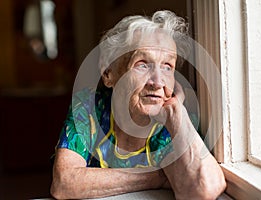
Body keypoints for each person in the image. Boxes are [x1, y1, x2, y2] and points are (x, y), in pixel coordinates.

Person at [50, 10, 226, 200]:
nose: (158, 82)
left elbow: (206, 188)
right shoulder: (89, 107)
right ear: (108, 73)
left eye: (167, 67)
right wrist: (157, 176)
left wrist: (177, 114)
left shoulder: (173, 124)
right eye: (142, 64)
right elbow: (63, 183)